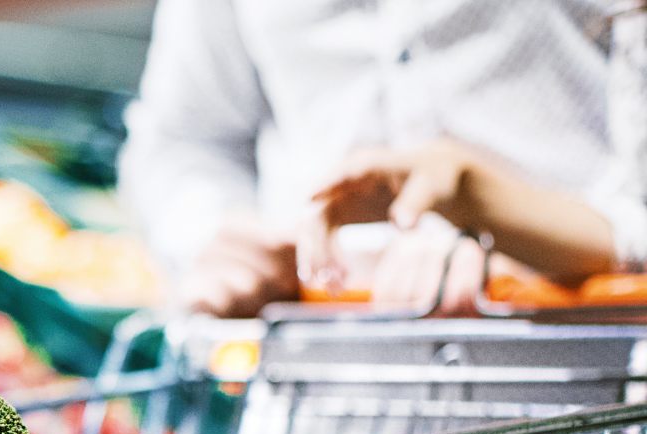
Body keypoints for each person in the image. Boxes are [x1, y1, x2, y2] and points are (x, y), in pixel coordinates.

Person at [119, 1, 647, 317]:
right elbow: (184, 137)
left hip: (578, 393)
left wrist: (524, 233)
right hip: (321, 413)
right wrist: (214, 234)